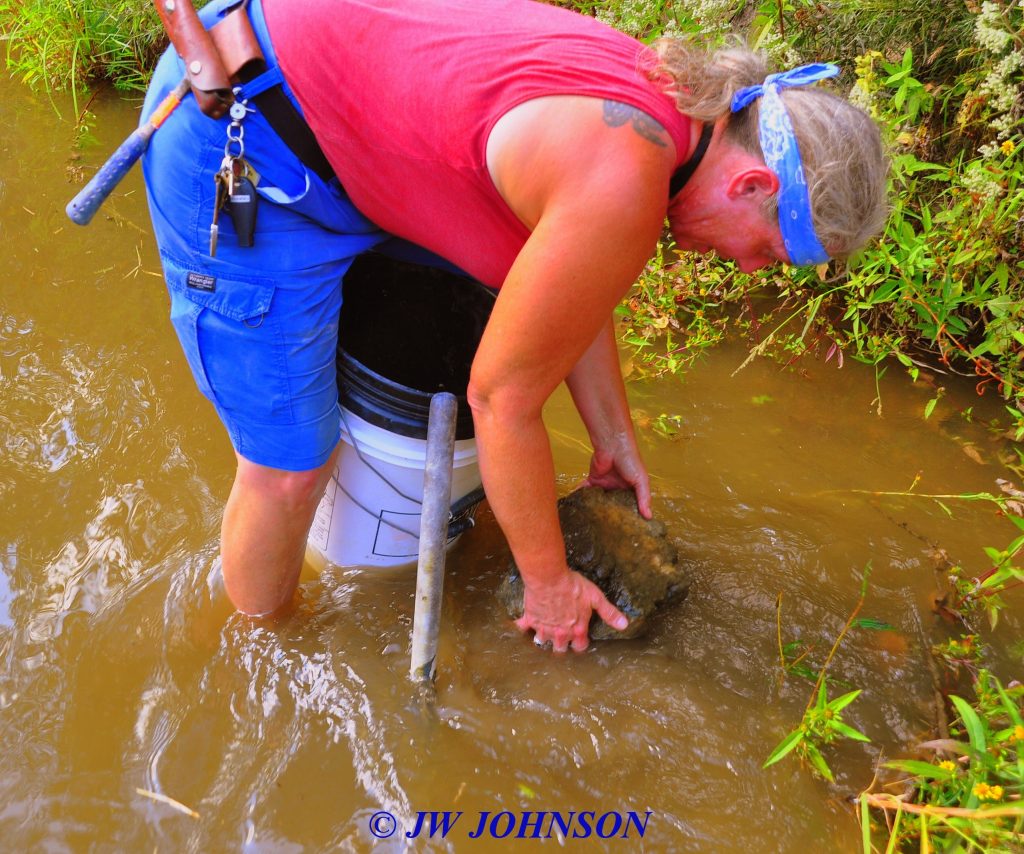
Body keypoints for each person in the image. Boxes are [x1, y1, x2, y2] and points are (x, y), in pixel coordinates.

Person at [140, 0, 888, 652]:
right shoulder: (625, 176)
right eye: (767, 251)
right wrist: (548, 585)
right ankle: (254, 649)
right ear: (752, 184)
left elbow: (578, 285)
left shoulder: (668, 109)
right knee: (288, 465)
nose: (750, 267)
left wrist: (612, 439)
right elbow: (500, 399)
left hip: (321, 122)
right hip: (241, 143)